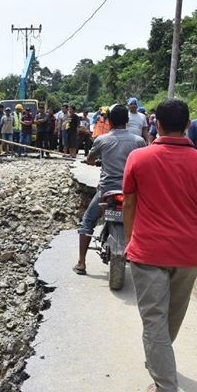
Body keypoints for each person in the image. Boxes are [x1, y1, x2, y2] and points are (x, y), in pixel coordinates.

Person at [123, 98, 197, 392]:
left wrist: (131, 240)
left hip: (148, 251)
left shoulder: (138, 158)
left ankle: (166, 388)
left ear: (156, 124)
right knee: (171, 317)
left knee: (155, 318)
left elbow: (129, 204)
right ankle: (160, 361)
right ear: (187, 125)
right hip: (187, 253)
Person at [73, 104, 146, 275]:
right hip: (131, 193)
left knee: (87, 222)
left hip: (107, 191)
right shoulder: (139, 141)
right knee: (143, 223)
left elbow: (90, 159)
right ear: (127, 121)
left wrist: (93, 161)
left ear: (110, 121)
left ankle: (82, 263)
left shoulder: (102, 140)